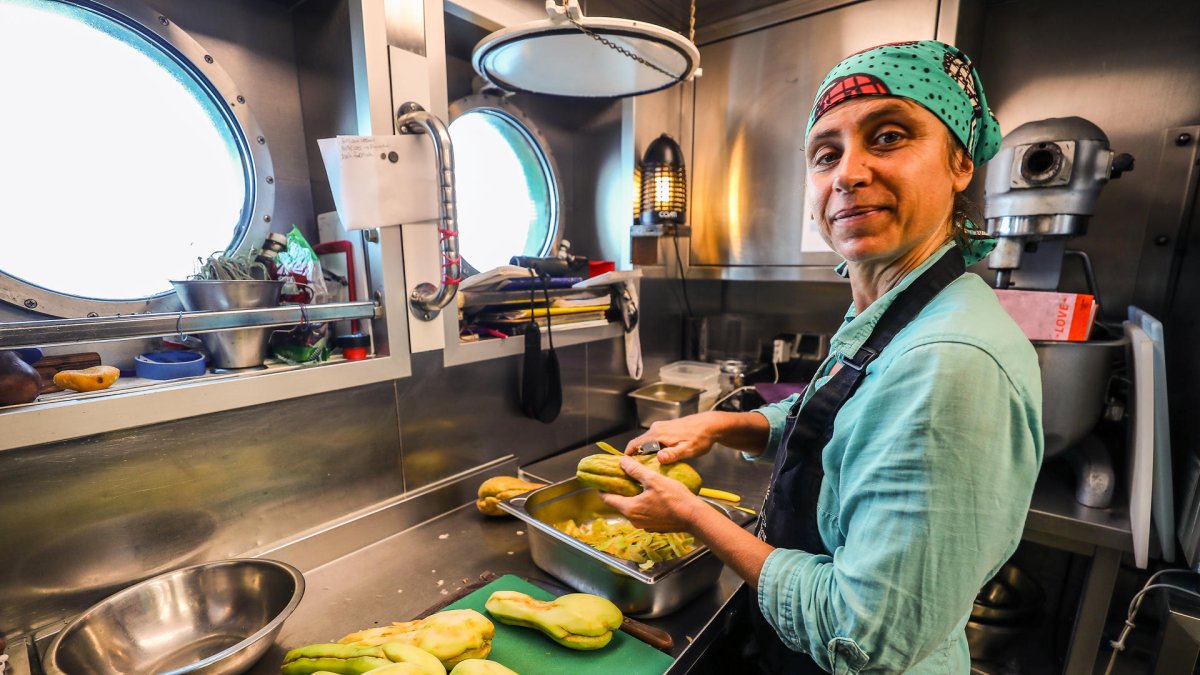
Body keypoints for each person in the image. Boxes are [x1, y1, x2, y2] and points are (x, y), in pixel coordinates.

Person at [601, 41, 1043, 673]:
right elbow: (841, 422)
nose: (848, 174)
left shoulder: (951, 363)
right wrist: (724, 426)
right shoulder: (896, 310)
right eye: (826, 153)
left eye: (889, 137)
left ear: (959, 162)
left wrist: (691, 515)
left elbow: (862, 637)